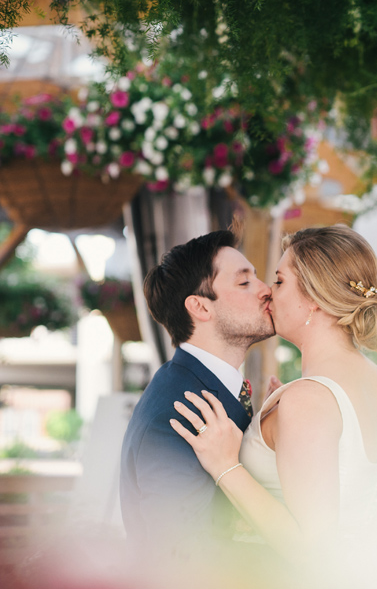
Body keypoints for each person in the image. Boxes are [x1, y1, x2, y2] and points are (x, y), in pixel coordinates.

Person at [170, 225, 377, 585]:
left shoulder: (307, 400)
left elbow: (313, 550)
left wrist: (225, 466)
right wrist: (275, 425)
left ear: (313, 298)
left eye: (279, 281)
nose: (268, 293)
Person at [119, 229, 275, 565]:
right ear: (201, 307)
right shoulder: (176, 414)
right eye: (244, 282)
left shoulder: (203, 387)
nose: (266, 291)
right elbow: (180, 560)